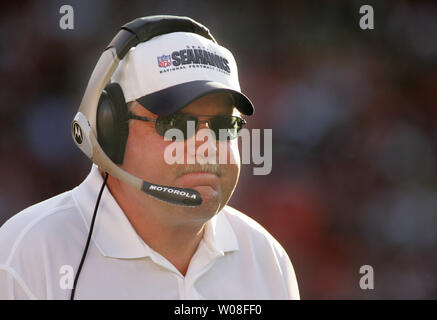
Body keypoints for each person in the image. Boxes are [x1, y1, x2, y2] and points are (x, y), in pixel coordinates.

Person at [0, 16, 299, 299]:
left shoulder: (267, 259)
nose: (206, 144)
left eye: (224, 126)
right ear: (109, 129)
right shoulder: (26, 255)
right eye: (177, 124)